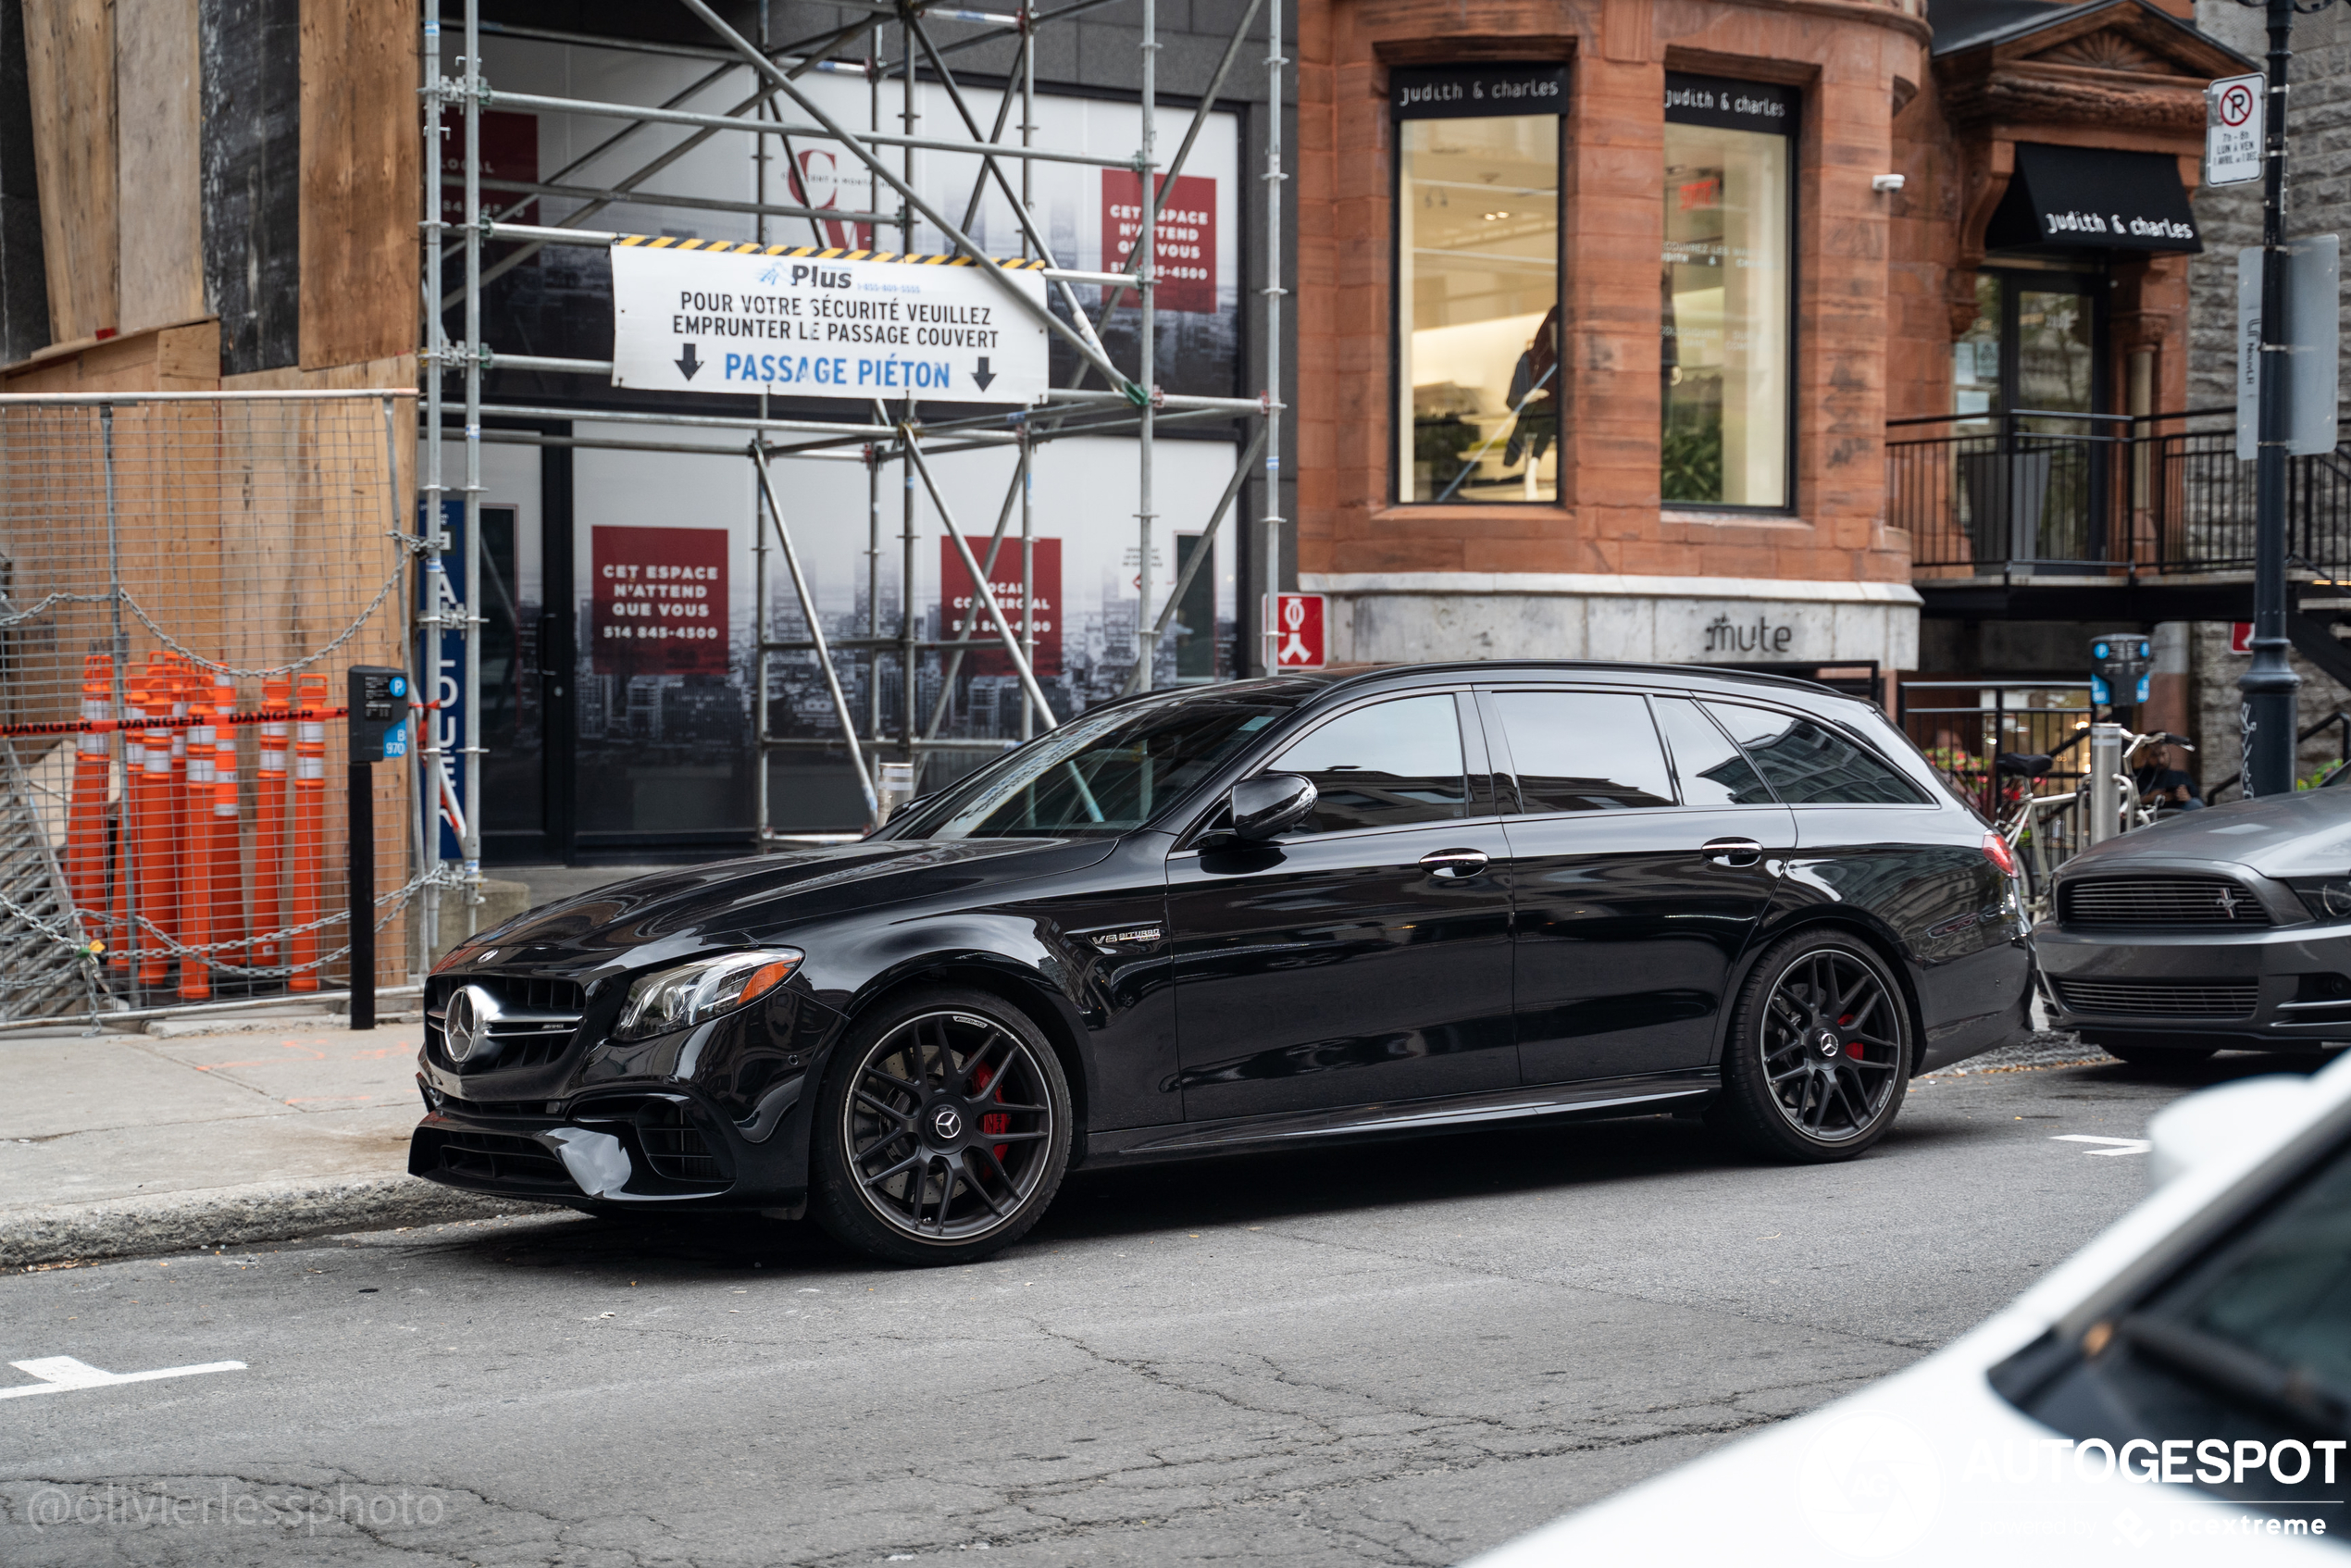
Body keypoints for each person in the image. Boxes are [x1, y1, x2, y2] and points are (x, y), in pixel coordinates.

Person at [2133, 740, 2204, 812]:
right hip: (2151, 815)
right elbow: (2125, 804)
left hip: (2180, 814)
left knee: (2195, 804)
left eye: (2163, 754)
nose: (2160, 760)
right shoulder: (2135, 777)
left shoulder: (2181, 776)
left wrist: (2187, 797)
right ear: (2145, 756)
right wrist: (2149, 798)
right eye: (2154, 755)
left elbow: (2200, 803)